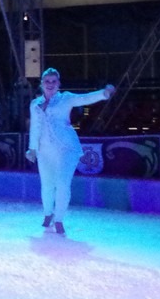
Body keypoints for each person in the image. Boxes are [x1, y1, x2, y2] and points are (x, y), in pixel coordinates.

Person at [25, 68, 115, 236]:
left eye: (54, 81)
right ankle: (48, 213)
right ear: (42, 83)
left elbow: (85, 98)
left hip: (66, 148)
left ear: (59, 84)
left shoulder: (66, 98)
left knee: (62, 183)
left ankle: (59, 218)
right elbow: (35, 128)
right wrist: (32, 149)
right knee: (47, 185)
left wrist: (103, 93)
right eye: (47, 81)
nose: (50, 84)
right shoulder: (35, 104)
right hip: (45, 150)